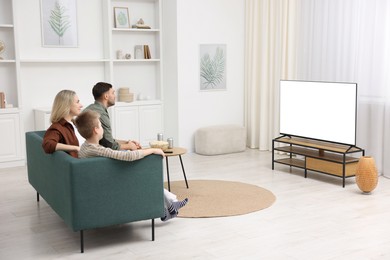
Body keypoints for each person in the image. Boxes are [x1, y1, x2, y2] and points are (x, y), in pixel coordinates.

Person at [74, 110, 188, 221]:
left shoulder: (86, 146)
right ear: (96, 130)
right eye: (100, 125)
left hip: (100, 182)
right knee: (145, 177)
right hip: (107, 186)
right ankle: (169, 207)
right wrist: (152, 150)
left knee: (144, 176)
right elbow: (128, 157)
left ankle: (170, 206)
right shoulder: (96, 149)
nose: (103, 128)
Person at [85, 82, 140, 151]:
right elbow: (111, 146)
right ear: (106, 96)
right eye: (113, 93)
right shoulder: (101, 114)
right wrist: (130, 146)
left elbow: (107, 140)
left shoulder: (91, 108)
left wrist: (127, 142)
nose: (115, 96)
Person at [42, 90, 83, 158]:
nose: (81, 105)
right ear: (67, 105)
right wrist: (75, 148)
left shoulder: (74, 123)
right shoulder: (57, 127)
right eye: (77, 102)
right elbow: (47, 145)